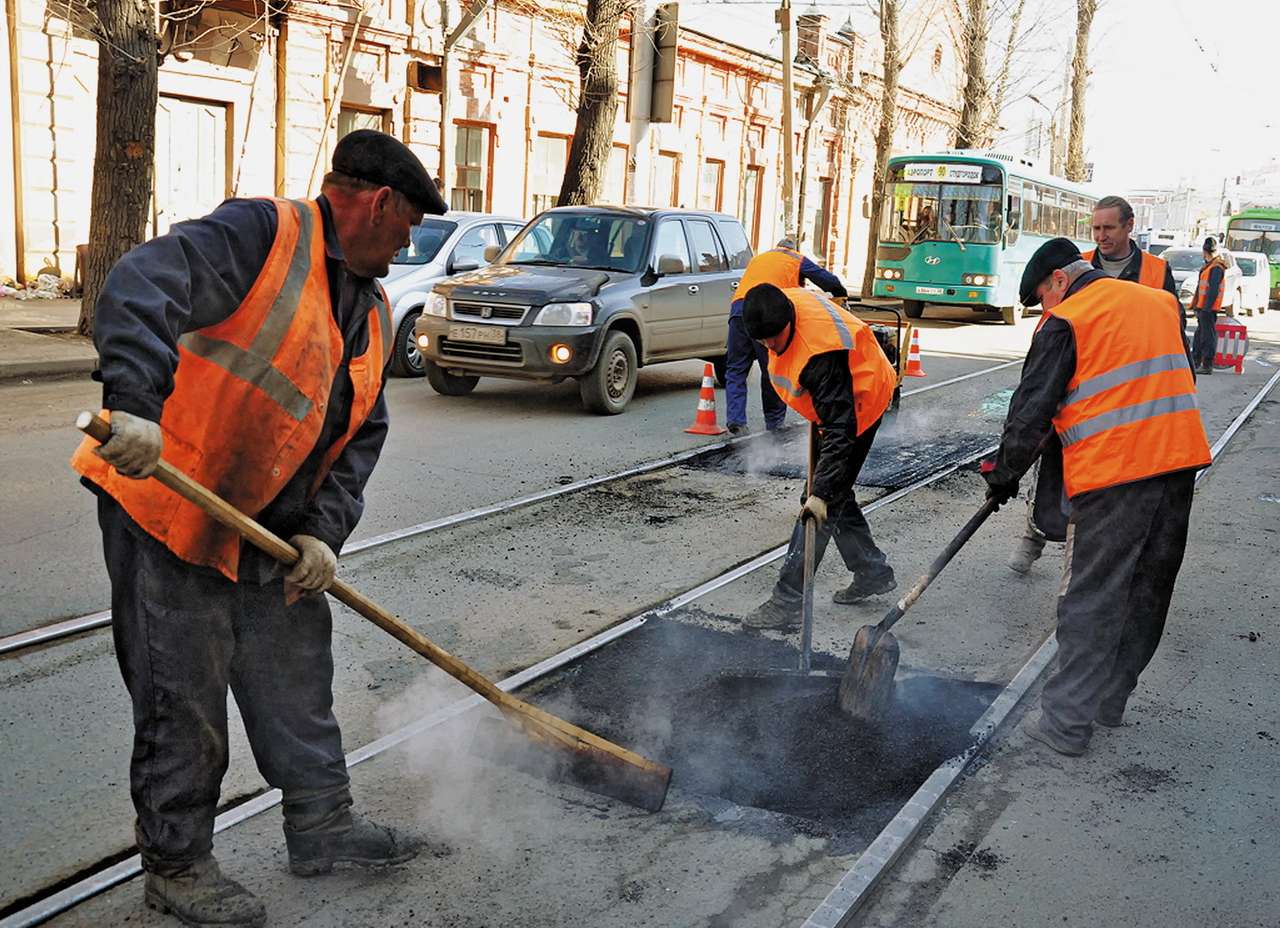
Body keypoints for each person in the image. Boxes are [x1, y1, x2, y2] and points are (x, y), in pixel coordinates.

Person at [69, 130, 448, 927]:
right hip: (169, 508)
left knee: (296, 677)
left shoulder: (375, 311)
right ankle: (177, 866)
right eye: (408, 227)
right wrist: (133, 404)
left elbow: (360, 439)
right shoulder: (263, 236)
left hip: (267, 532)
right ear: (379, 204)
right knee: (184, 693)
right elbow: (142, 283)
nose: (408, 246)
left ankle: (323, 829)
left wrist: (323, 535)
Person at [984, 238, 1210, 757]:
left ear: (1060, 280)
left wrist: (1004, 474)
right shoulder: (1160, 302)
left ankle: (1065, 723)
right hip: (1177, 466)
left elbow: (1032, 408)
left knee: (1091, 596)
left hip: (1114, 476)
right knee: (1147, 589)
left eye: (1042, 297)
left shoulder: (1069, 318)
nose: (1043, 309)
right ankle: (1109, 701)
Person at [1007, 195, 1187, 575]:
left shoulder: (1155, 271)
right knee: (1051, 468)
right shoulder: (1077, 265)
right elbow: (1055, 330)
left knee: (1094, 491)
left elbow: (1172, 332)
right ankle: (1035, 534)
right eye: (1096, 228)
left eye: (1109, 228)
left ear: (1129, 226)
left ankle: (1078, 559)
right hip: (1077, 388)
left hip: (1126, 396)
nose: (1101, 236)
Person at [739, 284, 898, 628]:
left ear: (789, 320)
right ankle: (872, 571)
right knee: (833, 493)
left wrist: (821, 494)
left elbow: (841, 428)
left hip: (861, 400)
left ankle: (788, 602)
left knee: (819, 504)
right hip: (833, 403)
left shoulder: (819, 355)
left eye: (775, 337)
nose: (770, 345)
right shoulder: (779, 304)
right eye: (762, 340)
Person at [725, 239, 847, 435]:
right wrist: (840, 293)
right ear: (792, 249)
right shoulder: (794, 258)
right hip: (767, 314)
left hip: (740, 310)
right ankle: (774, 423)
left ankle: (736, 421)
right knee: (772, 369)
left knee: (736, 369)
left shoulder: (760, 258)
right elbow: (826, 279)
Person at [1190, 236, 1228, 375]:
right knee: (1200, 336)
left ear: (1204, 252)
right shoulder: (1211, 266)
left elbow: (1212, 290)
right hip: (1204, 307)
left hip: (1208, 308)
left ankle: (1206, 364)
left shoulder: (1216, 267)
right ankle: (1196, 361)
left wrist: (1206, 307)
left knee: (1207, 336)